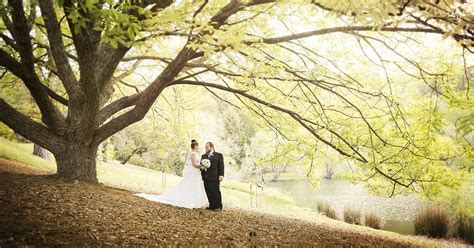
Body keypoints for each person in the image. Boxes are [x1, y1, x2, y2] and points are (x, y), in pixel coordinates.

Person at [134, 140, 208, 209]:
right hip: (193, 172)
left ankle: (194, 201)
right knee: (191, 185)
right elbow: (194, 164)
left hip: (194, 172)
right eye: (198, 146)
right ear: (195, 146)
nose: (199, 147)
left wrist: (202, 166)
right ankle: (189, 200)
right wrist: (202, 166)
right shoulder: (194, 154)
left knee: (192, 185)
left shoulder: (193, 153)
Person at [201, 142, 224, 211]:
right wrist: (201, 168)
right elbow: (201, 165)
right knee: (208, 191)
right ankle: (212, 205)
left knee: (215, 191)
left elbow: (221, 166)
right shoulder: (203, 156)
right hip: (205, 177)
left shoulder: (218, 155)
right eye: (205, 147)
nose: (206, 148)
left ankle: (218, 206)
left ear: (211, 147)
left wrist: (221, 175)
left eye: (207, 147)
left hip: (214, 177)